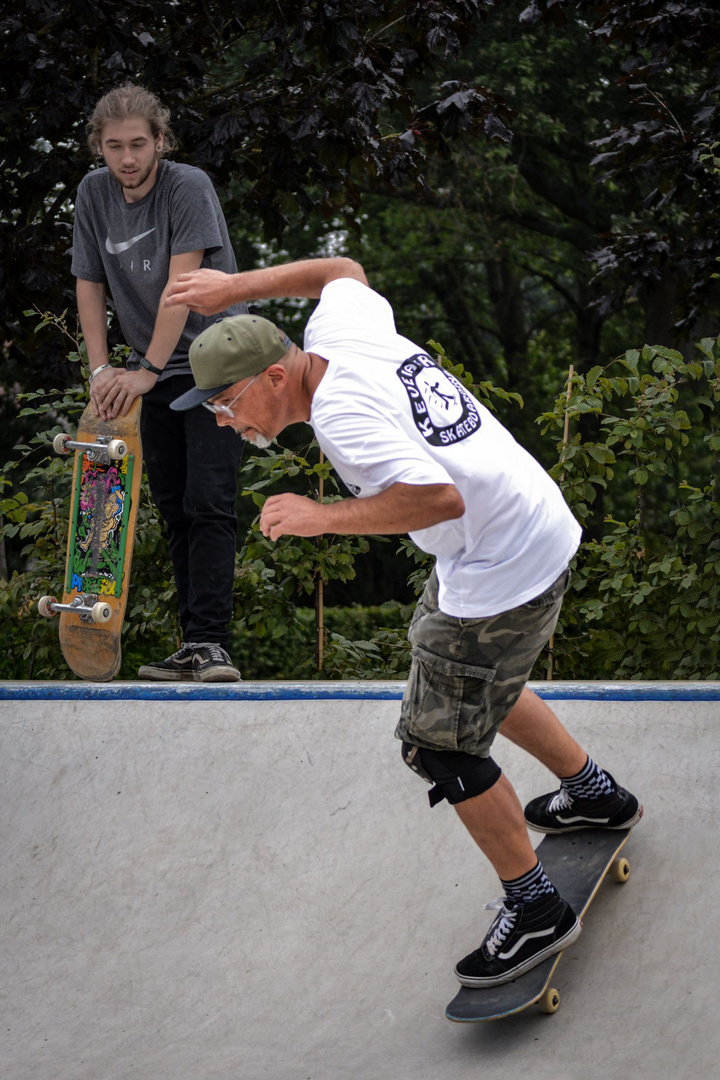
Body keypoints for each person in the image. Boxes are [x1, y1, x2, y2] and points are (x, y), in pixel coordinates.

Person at [164, 257, 643, 986]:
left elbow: (438, 499)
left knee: (436, 744)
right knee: (472, 679)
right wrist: (233, 291)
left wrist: (323, 517)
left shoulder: (342, 418)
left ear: (272, 378)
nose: (227, 424)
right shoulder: (339, 329)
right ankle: (593, 792)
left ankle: (535, 907)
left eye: (227, 404)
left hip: (500, 562)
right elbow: (341, 270)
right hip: (525, 525)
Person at [71, 84, 245, 682]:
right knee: (173, 508)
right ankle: (192, 644)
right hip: (156, 368)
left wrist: (142, 371)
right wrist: (100, 372)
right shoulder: (93, 194)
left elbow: (183, 287)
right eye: (114, 146)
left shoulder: (186, 186)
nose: (127, 158)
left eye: (139, 144)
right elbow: (89, 285)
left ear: (160, 141)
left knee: (209, 502)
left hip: (216, 362)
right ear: (99, 146)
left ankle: (212, 643)